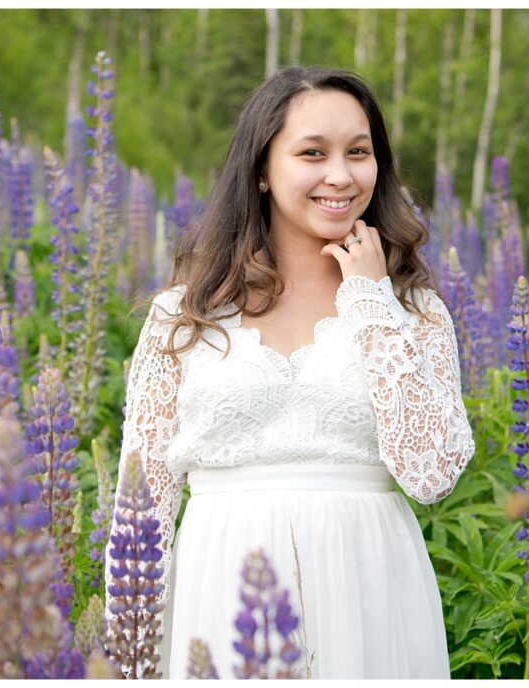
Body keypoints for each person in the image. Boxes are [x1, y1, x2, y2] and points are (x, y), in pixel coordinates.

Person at [105, 66, 475, 679]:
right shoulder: (186, 312)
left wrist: (369, 301)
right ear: (261, 169)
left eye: (359, 152)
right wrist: (129, 647)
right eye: (312, 152)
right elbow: (142, 499)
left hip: (369, 589)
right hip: (220, 584)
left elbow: (433, 472)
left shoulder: (412, 311)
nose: (341, 174)